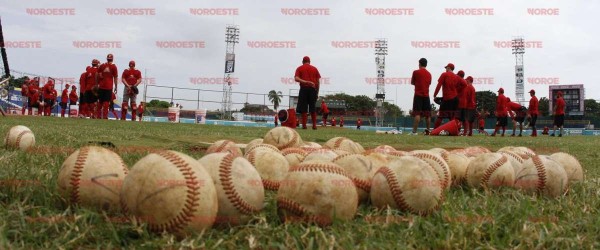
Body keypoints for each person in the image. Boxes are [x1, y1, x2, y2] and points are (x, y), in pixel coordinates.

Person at [294, 56, 321, 130]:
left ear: (302, 61)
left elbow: (296, 78)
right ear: (309, 62)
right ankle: (314, 125)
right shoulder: (315, 69)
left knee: (303, 108)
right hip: (313, 89)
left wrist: (305, 81)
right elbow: (318, 82)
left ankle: (304, 125)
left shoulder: (299, 68)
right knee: (313, 108)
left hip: (303, 89)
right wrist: (317, 92)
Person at [410, 58, 432, 135]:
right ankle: (428, 131)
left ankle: (414, 132)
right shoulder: (429, 74)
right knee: (427, 114)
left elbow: (412, 82)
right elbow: (429, 83)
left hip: (418, 95)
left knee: (417, 114)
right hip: (426, 95)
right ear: (426, 64)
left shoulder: (416, 72)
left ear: (419, 64)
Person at [433, 63, 459, 129]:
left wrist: (435, 95)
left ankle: (434, 131)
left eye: (446, 68)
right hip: (455, 99)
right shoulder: (456, 77)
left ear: (449, 68)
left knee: (440, 116)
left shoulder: (444, 74)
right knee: (452, 117)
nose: (445, 69)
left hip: (447, 98)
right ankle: (455, 131)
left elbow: (439, 85)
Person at [97, 54, 119, 119]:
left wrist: (97, 83)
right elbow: (115, 77)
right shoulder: (114, 67)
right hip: (108, 87)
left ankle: (98, 116)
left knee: (100, 102)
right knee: (106, 103)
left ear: (107, 59)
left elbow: (97, 74)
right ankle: (105, 117)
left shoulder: (102, 65)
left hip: (101, 86)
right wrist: (116, 86)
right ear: (112, 59)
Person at [455, 70, 470, 135]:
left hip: (459, 103)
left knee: (456, 118)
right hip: (464, 103)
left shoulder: (461, 82)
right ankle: (465, 132)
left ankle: (456, 130)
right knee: (464, 119)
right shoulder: (465, 84)